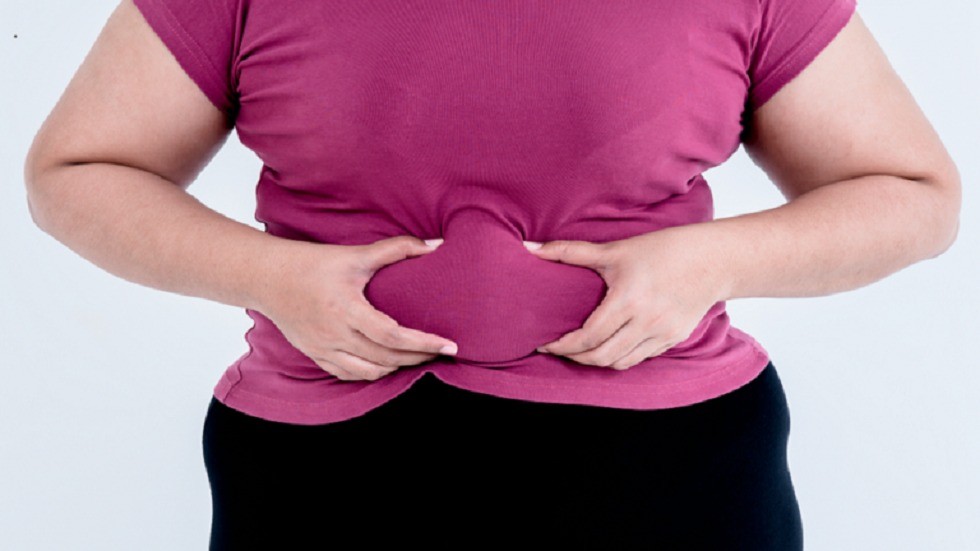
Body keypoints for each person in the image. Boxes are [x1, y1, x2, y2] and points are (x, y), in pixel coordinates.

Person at [24, 0, 960, 549]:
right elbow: (76, 169)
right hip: (330, 475)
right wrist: (270, 276)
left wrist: (713, 261)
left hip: (671, 471)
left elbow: (914, 193)